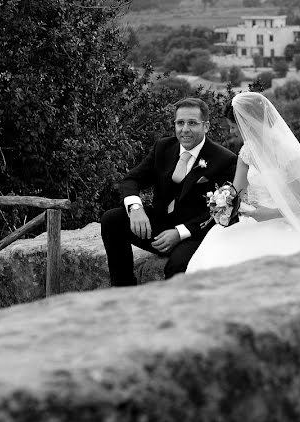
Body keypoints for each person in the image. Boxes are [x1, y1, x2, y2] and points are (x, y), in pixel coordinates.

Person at [186, 92, 300, 272]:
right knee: (217, 252)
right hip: (253, 220)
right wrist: (223, 203)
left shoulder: (285, 152)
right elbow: (238, 192)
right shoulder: (247, 151)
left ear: (248, 123)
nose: (232, 131)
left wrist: (270, 214)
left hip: (286, 222)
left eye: (233, 126)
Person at [101, 97, 237, 285]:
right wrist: (135, 208)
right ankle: (124, 291)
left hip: (195, 234)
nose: (185, 129)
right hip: (160, 224)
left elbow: (222, 210)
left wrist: (180, 232)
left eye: (192, 123)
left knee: (177, 266)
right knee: (111, 220)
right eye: (180, 122)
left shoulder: (225, 159)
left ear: (206, 126)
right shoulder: (163, 147)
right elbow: (132, 179)